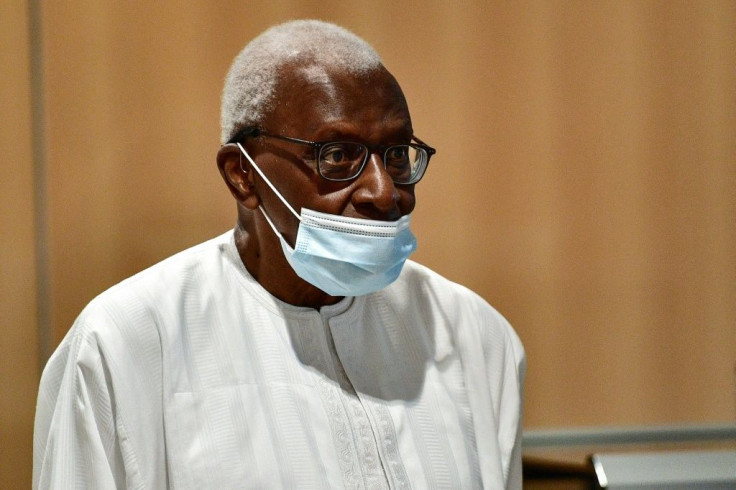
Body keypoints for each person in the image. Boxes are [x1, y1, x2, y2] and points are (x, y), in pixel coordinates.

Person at [33, 20, 525, 489]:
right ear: (242, 175)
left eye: (396, 154)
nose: (383, 191)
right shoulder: (127, 342)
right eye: (337, 156)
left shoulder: (473, 337)